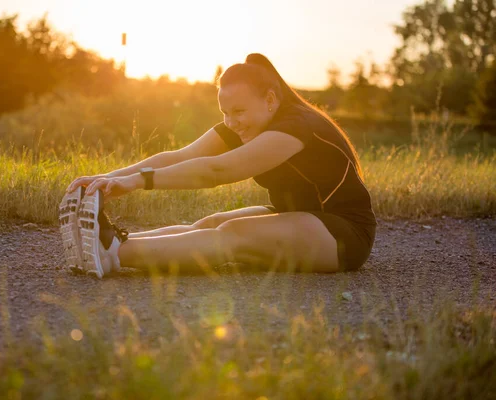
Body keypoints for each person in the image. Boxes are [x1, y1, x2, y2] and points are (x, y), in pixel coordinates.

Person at [62, 53, 376, 278]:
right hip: (301, 216)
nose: (231, 122)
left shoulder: (296, 126)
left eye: (238, 110)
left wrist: (138, 182)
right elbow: (180, 157)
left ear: (270, 99)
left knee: (233, 234)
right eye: (225, 111)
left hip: (342, 233)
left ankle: (114, 254)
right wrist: (107, 179)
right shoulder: (246, 122)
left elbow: (217, 170)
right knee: (211, 224)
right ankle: (113, 242)